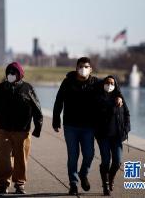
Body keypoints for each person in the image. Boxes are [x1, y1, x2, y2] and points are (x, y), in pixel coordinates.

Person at [52, 57, 123, 195]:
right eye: (80, 66)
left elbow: (112, 85)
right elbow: (58, 100)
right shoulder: (68, 82)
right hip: (70, 125)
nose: (83, 69)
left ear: (90, 69)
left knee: (89, 154)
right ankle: (73, 183)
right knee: (73, 156)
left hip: (88, 126)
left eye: (86, 66)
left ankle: (83, 173)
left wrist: (119, 95)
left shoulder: (96, 83)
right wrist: (56, 121)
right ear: (76, 68)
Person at [0, 62, 43, 195]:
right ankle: (3, 183)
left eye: (14, 72)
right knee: (3, 156)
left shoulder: (27, 88)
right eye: (9, 73)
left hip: (22, 130)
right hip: (4, 129)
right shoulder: (0, 88)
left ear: (20, 74)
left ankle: (19, 184)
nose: (11, 75)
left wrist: (38, 127)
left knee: (21, 158)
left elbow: (37, 109)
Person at [95, 76, 130, 195]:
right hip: (103, 136)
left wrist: (126, 129)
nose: (109, 85)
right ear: (103, 84)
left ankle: (111, 178)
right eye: (107, 83)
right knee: (105, 161)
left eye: (112, 83)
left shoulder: (119, 98)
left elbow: (127, 114)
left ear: (115, 85)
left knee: (118, 162)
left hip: (117, 137)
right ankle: (105, 185)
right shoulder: (98, 98)